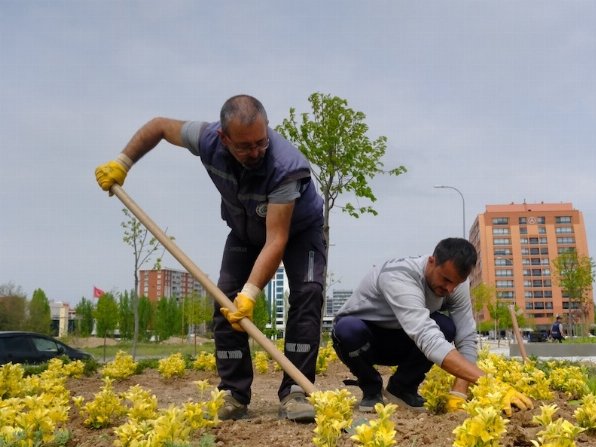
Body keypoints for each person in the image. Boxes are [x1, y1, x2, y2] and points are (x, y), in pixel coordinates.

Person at [95, 95, 325, 423]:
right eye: (245, 147)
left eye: (261, 142)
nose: (256, 152)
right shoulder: (205, 138)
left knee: (308, 294)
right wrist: (123, 161)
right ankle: (233, 393)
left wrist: (251, 295)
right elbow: (159, 126)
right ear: (224, 138)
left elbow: (276, 240)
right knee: (224, 300)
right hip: (245, 230)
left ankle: (297, 392)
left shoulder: (286, 167)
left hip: (301, 233)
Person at [332, 237, 532, 414]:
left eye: (456, 283)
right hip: (364, 339)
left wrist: (459, 391)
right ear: (431, 261)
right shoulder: (399, 276)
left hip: (403, 339)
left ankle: (402, 388)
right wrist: (491, 385)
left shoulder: (455, 285)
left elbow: (466, 337)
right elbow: (425, 335)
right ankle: (371, 388)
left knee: (445, 327)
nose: (449, 289)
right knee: (348, 330)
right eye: (445, 279)